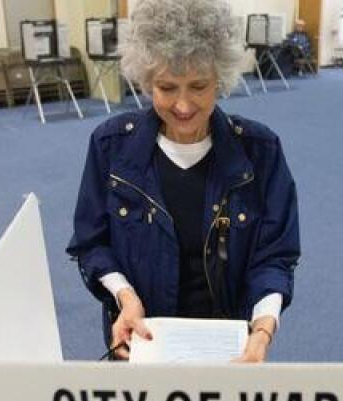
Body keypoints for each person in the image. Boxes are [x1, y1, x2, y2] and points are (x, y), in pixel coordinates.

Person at [67, 0, 300, 363]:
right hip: (142, 346)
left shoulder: (260, 152)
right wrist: (125, 297)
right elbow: (91, 243)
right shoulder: (111, 147)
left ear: (220, 79)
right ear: (146, 81)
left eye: (198, 85)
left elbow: (275, 256)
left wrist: (262, 330)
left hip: (227, 349)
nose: (184, 104)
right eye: (167, 87)